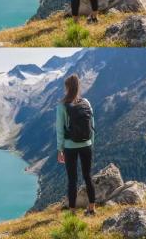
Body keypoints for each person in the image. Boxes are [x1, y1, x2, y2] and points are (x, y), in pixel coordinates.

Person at [57, 74, 96, 216]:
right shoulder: (86, 102)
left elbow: (60, 130)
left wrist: (60, 150)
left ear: (67, 88)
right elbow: (92, 125)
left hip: (70, 146)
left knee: (72, 179)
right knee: (88, 176)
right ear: (78, 86)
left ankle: (72, 212)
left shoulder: (62, 105)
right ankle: (91, 208)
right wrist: (91, 143)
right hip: (87, 144)